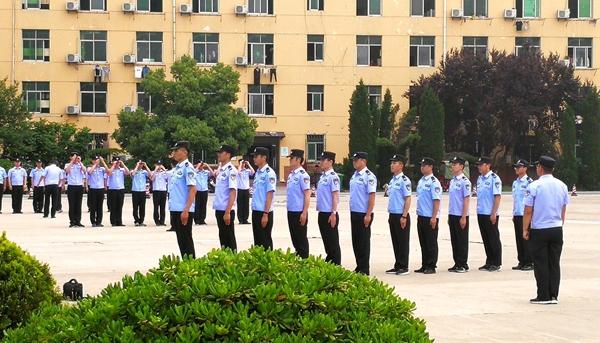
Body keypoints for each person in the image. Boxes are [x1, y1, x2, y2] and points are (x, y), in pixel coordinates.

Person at [523, 156, 569, 305]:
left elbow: (528, 210)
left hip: (540, 229)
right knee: (554, 263)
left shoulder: (535, 186)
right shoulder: (562, 185)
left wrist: (525, 228)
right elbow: (563, 209)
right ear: (553, 169)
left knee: (541, 263)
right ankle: (553, 295)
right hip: (556, 228)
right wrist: (559, 224)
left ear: (540, 168)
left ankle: (543, 295)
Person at [349, 151, 376, 276]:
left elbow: (372, 196)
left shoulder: (369, 176)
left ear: (364, 161)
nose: (354, 162)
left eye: (357, 160)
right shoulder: (354, 175)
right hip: (354, 212)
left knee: (363, 241)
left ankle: (364, 268)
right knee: (356, 240)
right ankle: (359, 265)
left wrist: (368, 214)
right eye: (354, 160)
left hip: (364, 213)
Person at [168, 141, 197, 258]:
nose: (174, 153)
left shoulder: (188, 168)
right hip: (175, 208)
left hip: (183, 210)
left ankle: (191, 265)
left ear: (184, 152)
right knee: (181, 240)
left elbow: (193, 189)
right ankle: (186, 264)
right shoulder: (178, 168)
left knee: (186, 240)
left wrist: (186, 210)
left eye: (176, 150)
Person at [475, 156, 503, 272]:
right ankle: (489, 260)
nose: (479, 167)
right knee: (485, 238)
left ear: (488, 165)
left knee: (493, 238)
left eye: (481, 165)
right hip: (481, 212)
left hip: (490, 213)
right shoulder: (480, 179)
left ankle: (496, 262)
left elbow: (497, 197)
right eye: (479, 165)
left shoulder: (494, 179)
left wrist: (494, 213)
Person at [386, 154, 412, 276]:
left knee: (403, 241)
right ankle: (397, 264)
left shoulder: (404, 180)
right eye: (391, 163)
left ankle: (404, 266)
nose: (391, 165)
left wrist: (404, 216)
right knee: (395, 241)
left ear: (401, 165)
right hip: (393, 214)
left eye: (394, 163)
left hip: (401, 215)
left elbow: (408, 199)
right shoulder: (392, 180)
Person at [415, 157, 442, 274]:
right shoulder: (421, 181)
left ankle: (431, 265)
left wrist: (434, 217)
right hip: (421, 215)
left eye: (424, 165)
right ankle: (424, 263)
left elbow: (436, 200)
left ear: (430, 167)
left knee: (431, 242)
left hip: (430, 216)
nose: (422, 167)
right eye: (421, 165)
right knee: (423, 242)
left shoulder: (434, 182)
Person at [316, 151, 341, 265]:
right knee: (326, 240)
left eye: (323, 160)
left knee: (332, 241)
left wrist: (333, 213)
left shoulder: (333, 177)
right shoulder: (323, 176)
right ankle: (330, 260)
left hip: (330, 213)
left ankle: (336, 263)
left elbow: (335, 196)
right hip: (322, 212)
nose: (321, 162)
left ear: (330, 162)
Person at [447, 156, 471, 273]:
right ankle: (457, 262)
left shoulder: (465, 182)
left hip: (461, 215)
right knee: (454, 240)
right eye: (452, 164)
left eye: (455, 164)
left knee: (462, 240)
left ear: (461, 166)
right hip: (453, 214)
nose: (453, 166)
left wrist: (463, 216)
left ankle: (463, 263)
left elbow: (466, 200)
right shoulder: (452, 181)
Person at [286, 149, 311, 258]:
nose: (290, 160)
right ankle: (298, 255)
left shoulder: (303, 175)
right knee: (294, 236)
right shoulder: (291, 175)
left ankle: (304, 258)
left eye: (292, 158)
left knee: (301, 237)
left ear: (299, 160)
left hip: (299, 211)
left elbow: (307, 194)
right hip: (291, 210)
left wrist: (304, 212)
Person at [250, 147, 277, 250]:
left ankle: (268, 263)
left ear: (264, 157)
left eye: (256, 157)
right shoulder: (258, 172)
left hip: (264, 212)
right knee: (257, 241)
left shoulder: (269, 173)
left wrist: (265, 214)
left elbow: (270, 194)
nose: (254, 159)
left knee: (265, 241)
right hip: (256, 211)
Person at [213, 144, 238, 250]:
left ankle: (233, 262)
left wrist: (227, 212)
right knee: (223, 238)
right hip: (219, 208)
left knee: (229, 239)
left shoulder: (231, 170)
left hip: (226, 209)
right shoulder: (222, 170)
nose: (219, 155)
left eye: (221, 152)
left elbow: (233, 192)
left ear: (228, 155)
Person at [512, 159, 534, 271]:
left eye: (519, 167)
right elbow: (515, 200)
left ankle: (529, 261)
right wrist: (513, 213)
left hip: (525, 214)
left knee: (526, 239)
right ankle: (521, 260)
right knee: (518, 239)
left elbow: (532, 201)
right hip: (517, 214)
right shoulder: (515, 183)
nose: (517, 169)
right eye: (516, 167)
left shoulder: (529, 183)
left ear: (525, 168)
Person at [65, 153, 87, 227]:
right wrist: (72, 161)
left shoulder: (80, 165)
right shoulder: (67, 164)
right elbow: (67, 171)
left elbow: (85, 171)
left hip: (79, 186)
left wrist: (80, 162)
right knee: (72, 204)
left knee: (78, 204)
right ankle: (72, 221)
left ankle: (78, 221)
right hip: (71, 186)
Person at [107, 156, 130, 227]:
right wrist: (113, 165)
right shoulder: (111, 169)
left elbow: (128, 173)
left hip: (120, 189)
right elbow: (109, 173)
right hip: (113, 190)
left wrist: (123, 164)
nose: (117, 163)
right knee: (113, 206)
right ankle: (113, 221)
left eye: (118, 162)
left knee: (120, 206)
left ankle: (119, 221)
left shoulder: (122, 169)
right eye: (116, 162)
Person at [87, 156, 109, 227]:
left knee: (100, 206)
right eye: (95, 160)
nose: (96, 161)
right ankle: (93, 221)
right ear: (92, 161)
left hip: (100, 188)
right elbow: (90, 173)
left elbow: (108, 171)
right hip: (93, 188)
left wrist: (103, 162)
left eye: (97, 160)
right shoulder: (90, 168)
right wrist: (95, 165)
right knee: (93, 206)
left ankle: (99, 221)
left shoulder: (101, 169)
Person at [131, 160, 151, 227]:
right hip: (135, 190)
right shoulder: (133, 171)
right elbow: (133, 174)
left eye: (141, 164)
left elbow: (150, 174)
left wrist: (146, 166)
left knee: (142, 207)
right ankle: (136, 220)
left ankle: (141, 220)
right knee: (135, 207)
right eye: (139, 164)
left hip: (142, 191)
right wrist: (137, 166)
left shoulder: (144, 172)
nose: (140, 165)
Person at [193, 160, 214, 225]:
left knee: (203, 205)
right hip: (197, 190)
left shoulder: (206, 172)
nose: (201, 166)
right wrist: (197, 166)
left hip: (204, 190)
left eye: (202, 165)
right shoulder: (195, 172)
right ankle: (197, 220)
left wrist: (207, 166)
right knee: (197, 205)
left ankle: (202, 220)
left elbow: (212, 174)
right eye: (200, 165)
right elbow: (192, 174)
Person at [236, 159, 255, 225]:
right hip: (240, 189)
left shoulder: (247, 171)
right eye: (242, 163)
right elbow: (238, 172)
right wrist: (240, 164)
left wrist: (248, 164)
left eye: (244, 163)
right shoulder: (238, 170)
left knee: (246, 205)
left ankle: (245, 219)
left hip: (246, 189)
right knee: (240, 205)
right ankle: (240, 219)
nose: (243, 164)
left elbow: (253, 172)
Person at [150, 160, 168, 227]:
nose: (159, 166)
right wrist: (155, 170)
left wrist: (164, 170)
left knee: (163, 207)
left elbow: (168, 178)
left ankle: (162, 221)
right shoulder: (152, 172)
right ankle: (156, 220)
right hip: (156, 190)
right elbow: (152, 179)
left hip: (163, 190)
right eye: (157, 165)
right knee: (156, 206)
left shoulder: (164, 173)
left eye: (160, 165)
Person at [165, 160, 177, 232]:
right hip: (178, 192)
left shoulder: (169, 172)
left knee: (172, 209)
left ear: (172, 165)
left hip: (171, 192)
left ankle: (173, 225)